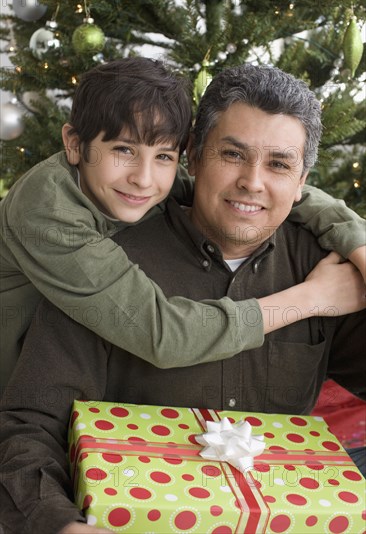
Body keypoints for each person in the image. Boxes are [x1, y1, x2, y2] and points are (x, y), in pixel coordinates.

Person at [1, 63, 365, 534]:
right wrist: (60, 523)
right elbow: (30, 423)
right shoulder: (103, 259)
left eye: (278, 164)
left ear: (300, 181)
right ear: (196, 156)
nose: (253, 182)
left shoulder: (327, 264)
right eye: (232, 154)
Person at [0, 58, 365, 392]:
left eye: (162, 155)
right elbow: (163, 335)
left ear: (181, 157)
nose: (144, 178)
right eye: (123, 150)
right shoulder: (48, 212)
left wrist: (357, 243)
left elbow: (266, 194)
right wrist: (312, 298)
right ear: (74, 145)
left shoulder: (141, 184)